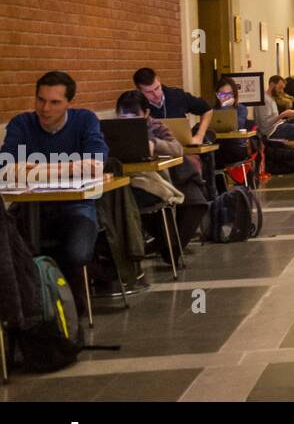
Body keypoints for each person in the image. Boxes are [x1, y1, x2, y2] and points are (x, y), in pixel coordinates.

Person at [1, 72, 107, 314]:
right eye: (40, 100)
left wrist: (32, 169)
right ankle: (36, 310)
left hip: (76, 205)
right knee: (13, 251)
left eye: (55, 102)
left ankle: (68, 305)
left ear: (69, 102)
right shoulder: (21, 123)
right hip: (28, 207)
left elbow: (96, 164)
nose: (45, 108)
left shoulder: (85, 120)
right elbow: (5, 169)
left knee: (77, 252)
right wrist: (70, 166)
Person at [114, 90, 208, 248]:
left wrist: (156, 145)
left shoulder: (156, 127)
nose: (128, 122)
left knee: (195, 203)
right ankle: (164, 246)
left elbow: (177, 149)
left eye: (133, 117)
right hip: (137, 179)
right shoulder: (113, 130)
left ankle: (169, 247)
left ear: (146, 113)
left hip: (171, 175)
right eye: (123, 117)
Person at [132, 67, 213, 145]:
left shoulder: (177, 96)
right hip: (153, 150)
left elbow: (207, 110)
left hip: (181, 148)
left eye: (157, 88)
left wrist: (199, 136)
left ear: (159, 80)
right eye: (149, 92)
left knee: (193, 159)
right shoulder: (136, 105)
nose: (156, 95)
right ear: (139, 91)